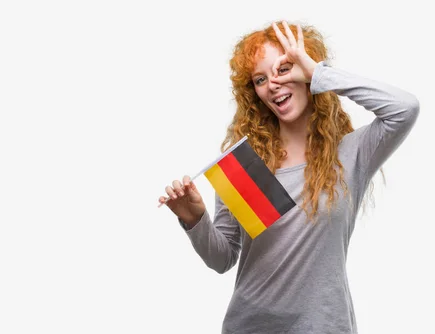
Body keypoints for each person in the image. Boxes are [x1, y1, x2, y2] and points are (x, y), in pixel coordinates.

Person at [158, 20, 419, 333]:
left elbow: (404, 109)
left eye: (283, 69)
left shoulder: (351, 154)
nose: (272, 85)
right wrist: (195, 220)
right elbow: (223, 258)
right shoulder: (245, 164)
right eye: (260, 79)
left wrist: (318, 73)